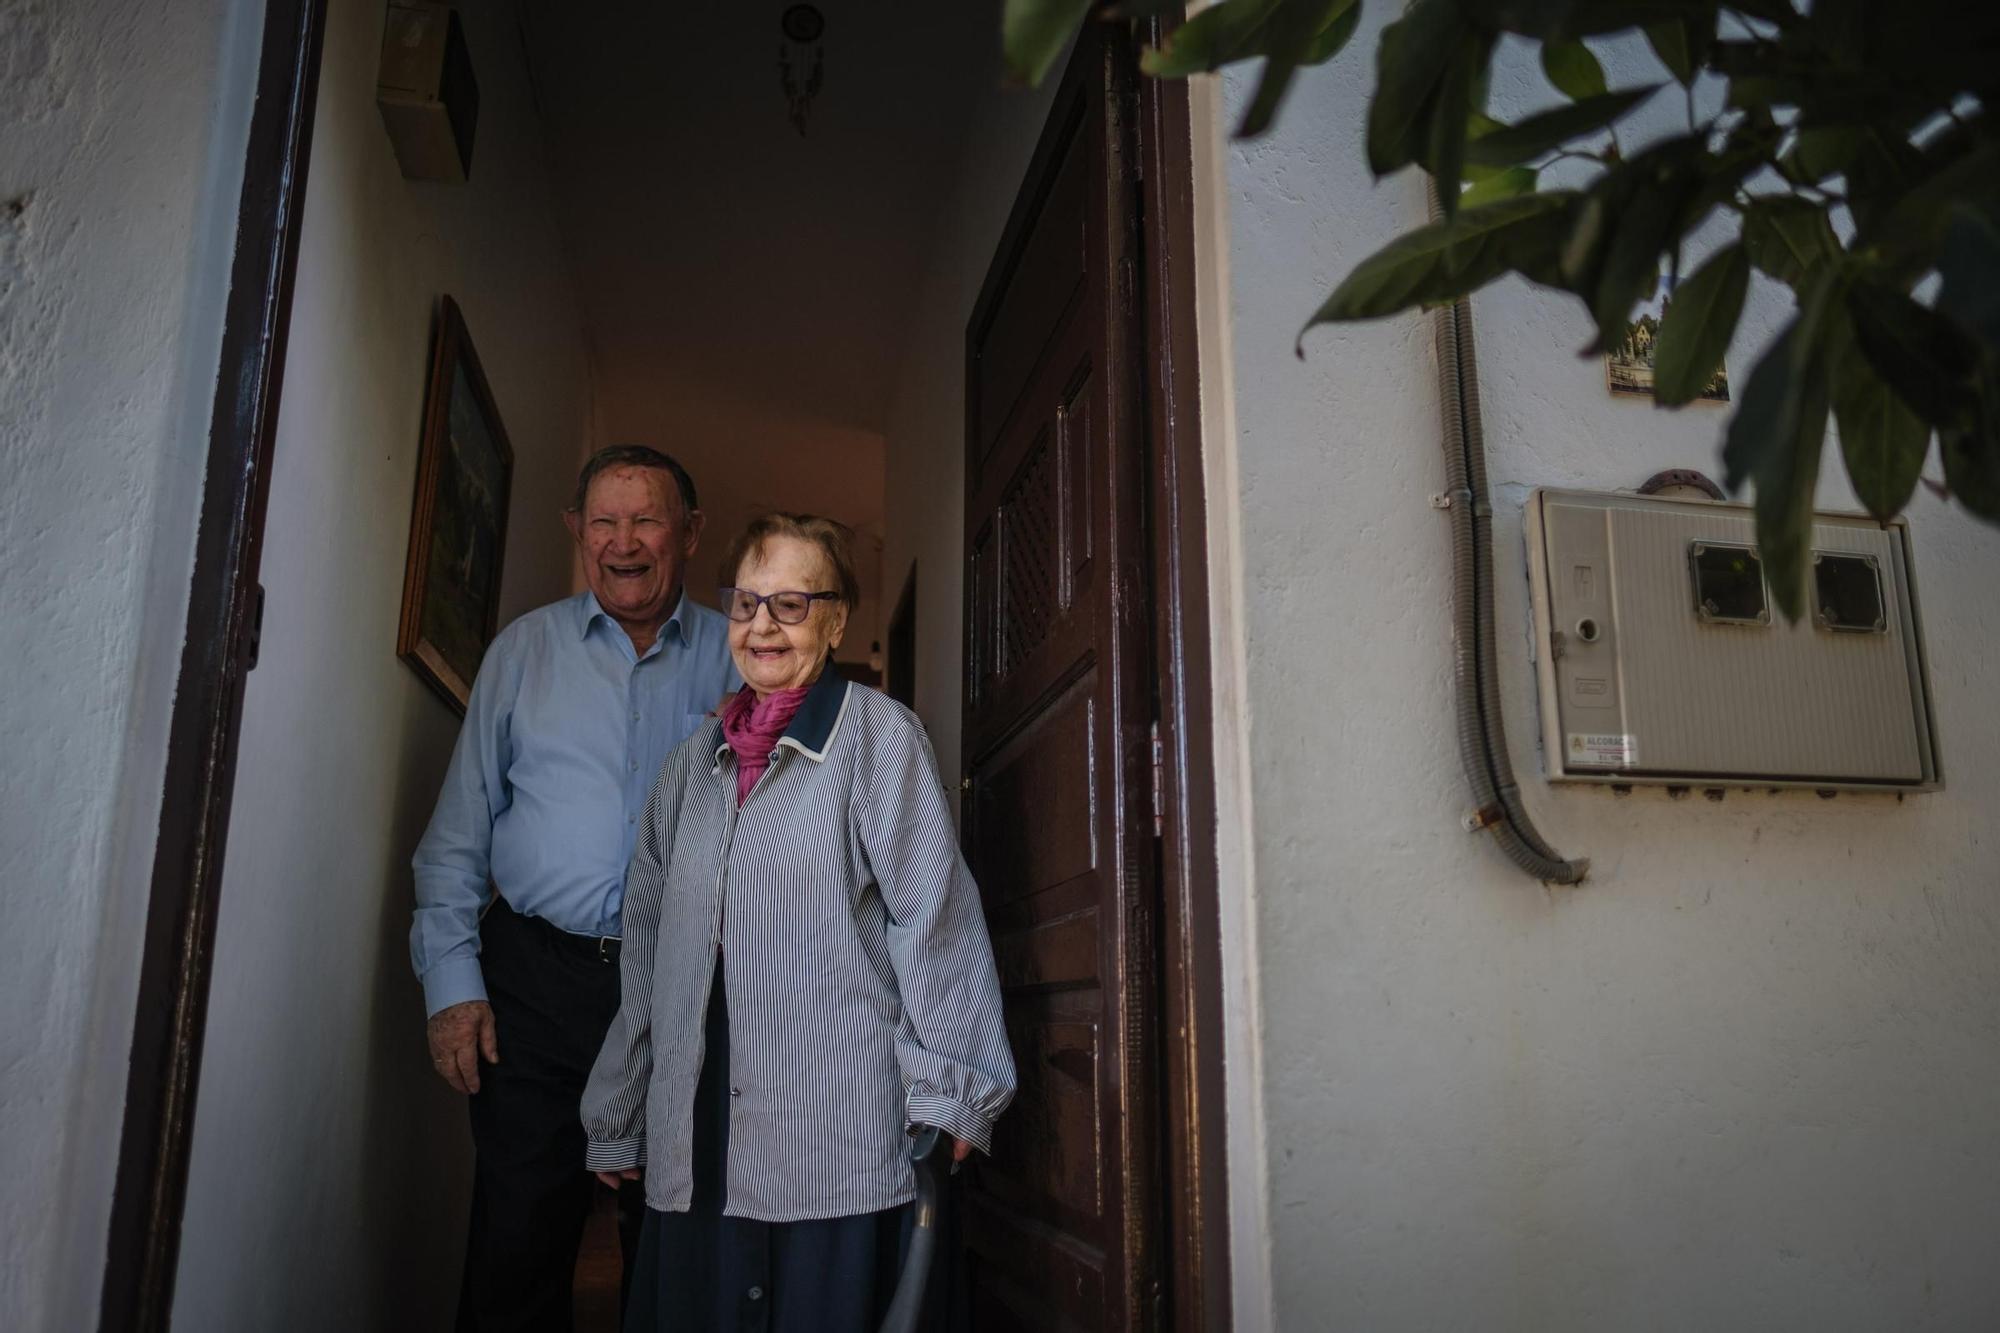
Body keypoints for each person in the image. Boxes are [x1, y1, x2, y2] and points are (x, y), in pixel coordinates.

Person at [582, 513, 1016, 1332]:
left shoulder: (879, 739)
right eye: (746, 603)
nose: (762, 626)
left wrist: (954, 1085)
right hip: (699, 1120)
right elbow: (647, 949)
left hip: (835, 1120)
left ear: (837, 617)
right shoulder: (688, 768)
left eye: (790, 603)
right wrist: (620, 1109)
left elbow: (934, 915)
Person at [411, 445, 739, 1332]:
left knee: (675, 1245)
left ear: (692, 534)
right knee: (517, 1245)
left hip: (687, 988)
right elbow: (454, 841)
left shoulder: (743, 656)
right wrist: (452, 989)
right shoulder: (522, 653)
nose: (623, 541)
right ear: (576, 531)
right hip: (536, 984)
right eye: (604, 520)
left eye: (647, 519)